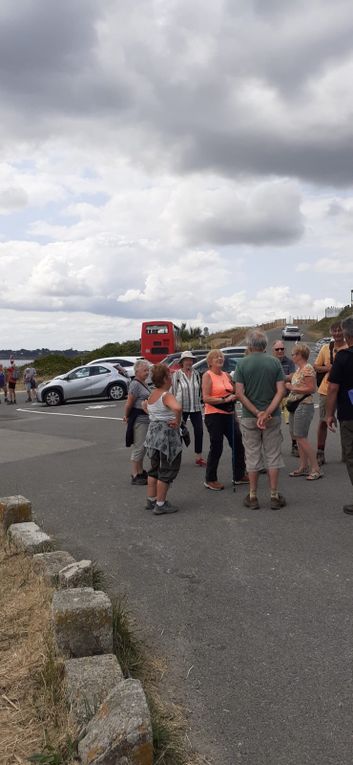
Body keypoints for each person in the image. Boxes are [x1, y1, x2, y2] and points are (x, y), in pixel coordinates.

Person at [235, 330, 286, 510]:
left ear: (249, 345)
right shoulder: (274, 362)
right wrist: (267, 412)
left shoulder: (242, 364)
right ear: (265, 344)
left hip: (250, 417)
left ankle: (253, 495)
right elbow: (281, 391)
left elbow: (239, 394)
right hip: (272, 416)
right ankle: (273, 495)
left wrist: (257, 413)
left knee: (252, 455)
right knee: (273, 454)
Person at [202, 350, 247, 491]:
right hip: (214, 415)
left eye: (221, 356)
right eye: (216, 357)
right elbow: (206, 398)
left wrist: (234, 412)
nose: (220, 358)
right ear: (210, 362)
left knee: (238, 442)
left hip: (229, 414)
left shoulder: (227, 375)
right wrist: (224, 399)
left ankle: (239, 475)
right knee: (217, 446)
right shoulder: (207, 375)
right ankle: (210, 479)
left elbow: (235, 392)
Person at [144, 364, 182, 515]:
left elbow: (145, 406)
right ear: (165, 378)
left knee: (154, 469)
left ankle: (151, 499)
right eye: (170, 375)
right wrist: (177, 422)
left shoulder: (152, 394)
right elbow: (177, 408)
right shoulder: (166, 395)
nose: (172, 378)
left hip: (153, 436)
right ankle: (161, 504)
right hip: (166, 437)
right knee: (166, 469)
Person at [326, 316, 353, 514]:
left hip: (349, 415)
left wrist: (329, 414)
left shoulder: (343, 357)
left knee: (351, 456)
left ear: (345, 334)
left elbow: (333, 389)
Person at [286, 343, 321, 480]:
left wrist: (292, 388)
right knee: (298, 436)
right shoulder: (299, 370)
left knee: (301, 437)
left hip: (304, 405)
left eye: (294, 354)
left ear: (300, 355)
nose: (292, 356)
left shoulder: (307, 368)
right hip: (296, 405)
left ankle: (316, 468)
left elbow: (311, 388)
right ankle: (303, 466)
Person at [314, 321, 347, 466]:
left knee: (347, 422)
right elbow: (316, 366)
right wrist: (328, 368)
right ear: (331, 332)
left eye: (340, 330)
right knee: (323, 421)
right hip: (326, 390)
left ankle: (347, 453)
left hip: (346, 391)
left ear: (344, 331)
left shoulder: (349, 348)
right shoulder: (326, 348)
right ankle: (320, 452)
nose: (337, 333)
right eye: (335, 331)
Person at [172, 350, 206, 466]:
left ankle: (198, 456)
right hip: (181, 408)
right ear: (182, 362)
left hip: (196, 407)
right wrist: (173, 407)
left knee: (199, 431)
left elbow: (200, 390)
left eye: (190, 360)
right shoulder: (176, 375)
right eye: (186, 360)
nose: (189, 362)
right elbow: (173, 391)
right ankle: (176, 457)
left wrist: (203, 402)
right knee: (179, 432)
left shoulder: (196, 374)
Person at [124, 359, 150, 485]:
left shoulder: (143, 383)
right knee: (139, 447)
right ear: (137, 371)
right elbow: (129, 404)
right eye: (145, 370)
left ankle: (140, 471)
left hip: (145, 419)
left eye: (148, 370)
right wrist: (126, 416)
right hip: (139, 420)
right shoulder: (135, 384)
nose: (147, 372)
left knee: (143, 447)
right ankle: (135, 474)